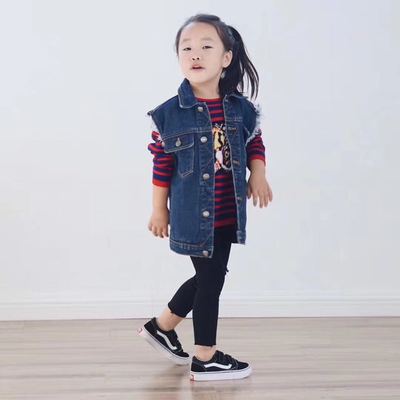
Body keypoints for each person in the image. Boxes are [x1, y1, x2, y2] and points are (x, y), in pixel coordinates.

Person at [137, 13, 273, 382]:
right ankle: (205, 356)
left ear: (226, 58)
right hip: (193, 213)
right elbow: (161, 164)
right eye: (187, 48)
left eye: (206, 46)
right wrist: (158, 209)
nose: (195, 54)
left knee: (210, 276)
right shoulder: (169, 115)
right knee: (211, 281)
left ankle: (162, 327)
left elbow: (254, 141)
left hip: (228, 211)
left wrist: (258, 173)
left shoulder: (241, 108)